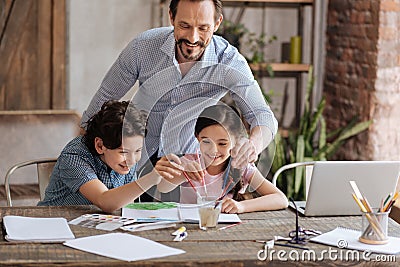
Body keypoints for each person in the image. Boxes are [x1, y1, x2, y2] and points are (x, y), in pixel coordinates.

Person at [81, 0, 278, 172]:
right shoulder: (142, 48)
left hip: (186, 167)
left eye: (203, 28)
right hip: (132, 163)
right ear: (171, 17)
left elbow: (262, 114)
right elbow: (104, 100)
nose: (192, 38)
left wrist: (253, 144)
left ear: (217, 23)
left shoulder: (228, 62)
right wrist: (80, 158)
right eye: (185, 25)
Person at [38, 101, 177, 212]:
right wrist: (150, 178)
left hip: (99, 225)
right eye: (123, 152)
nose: (132, 160)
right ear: (100, 145)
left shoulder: (127, 159)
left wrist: (177, 174)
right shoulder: (74, 155)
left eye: (138, 151)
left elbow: (126, 203)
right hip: (55, 222)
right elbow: (104, 201)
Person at [156, 104, 288, 213]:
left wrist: (242, 207)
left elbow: (280, 199)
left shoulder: (242, 167)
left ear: (236, 141)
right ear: (197, 137)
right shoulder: (189, 163)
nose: (213, 150)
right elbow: (162, 187)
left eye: (222, 144)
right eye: (206, 142)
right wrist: (184, 174)